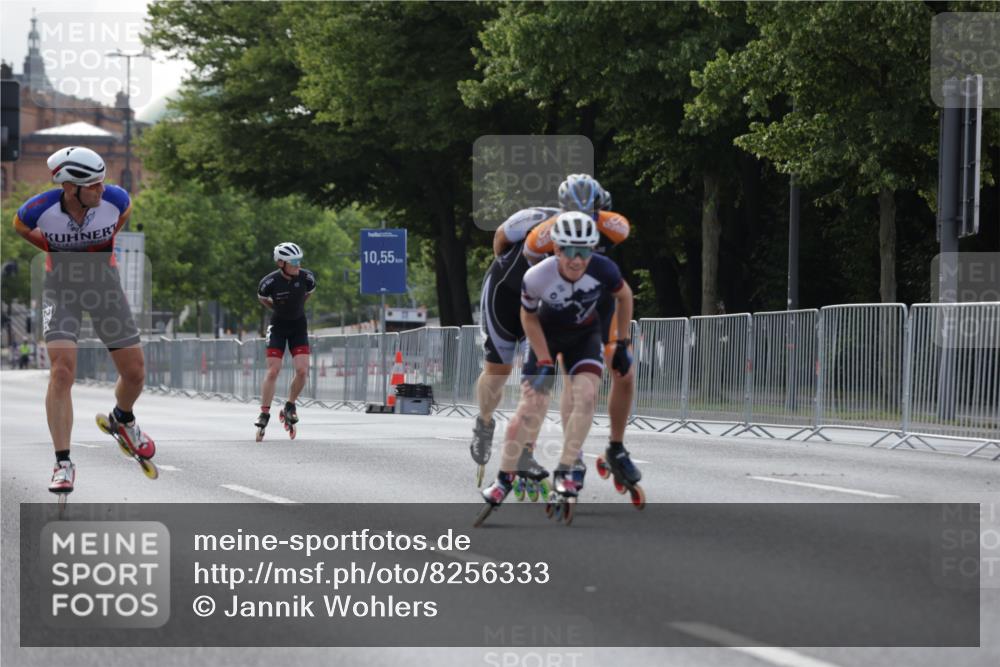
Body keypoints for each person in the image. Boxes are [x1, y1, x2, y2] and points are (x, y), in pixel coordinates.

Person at [12, 146, 153, 495]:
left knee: (135, 373)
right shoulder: (38, 209)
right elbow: (21, 227)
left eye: (102, 182)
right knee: (61, 371)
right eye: (92, 185)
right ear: (69, 186)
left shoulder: (116, 200)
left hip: (105, 286)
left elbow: (120, 219)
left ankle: (122, 418)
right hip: (61, 289)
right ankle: (63, 463)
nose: (100, 189)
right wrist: (55, 249)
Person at [480, 211, 634, 510]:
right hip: (546, 335)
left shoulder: (603, 268)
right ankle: (504, 478)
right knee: (531, 405)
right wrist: (544, 359)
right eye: (569, 251)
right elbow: (528, 316)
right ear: (557, 250)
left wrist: (621, 343)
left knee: (586, 396)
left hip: (584, 337)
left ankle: (567, 469)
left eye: (584, 252)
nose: (577, 260)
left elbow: (625, 296)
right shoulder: (537, 275)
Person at [523, 174, 638, 491]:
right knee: (575, 382)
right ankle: (572, 454)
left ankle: (616, 448)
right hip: (568, 309)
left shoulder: (614, 225)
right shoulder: (544, 234)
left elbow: (622, 284)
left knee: (625, 372)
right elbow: (530, 257)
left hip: (602, 305)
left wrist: (623, 342)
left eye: (589, 215)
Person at [255, 242, 316, 437]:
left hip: (298, 326)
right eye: (293, 262)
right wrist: (278, 309)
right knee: (273, 370)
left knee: (302, 370)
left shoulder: (307, 278)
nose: (298, 265)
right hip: (278, 326)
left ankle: (289, 405)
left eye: (299, 261)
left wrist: (295, 308)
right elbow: (262, 298)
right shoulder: (268, 282)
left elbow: (307, 294)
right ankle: (264, 413)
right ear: (281, 263)